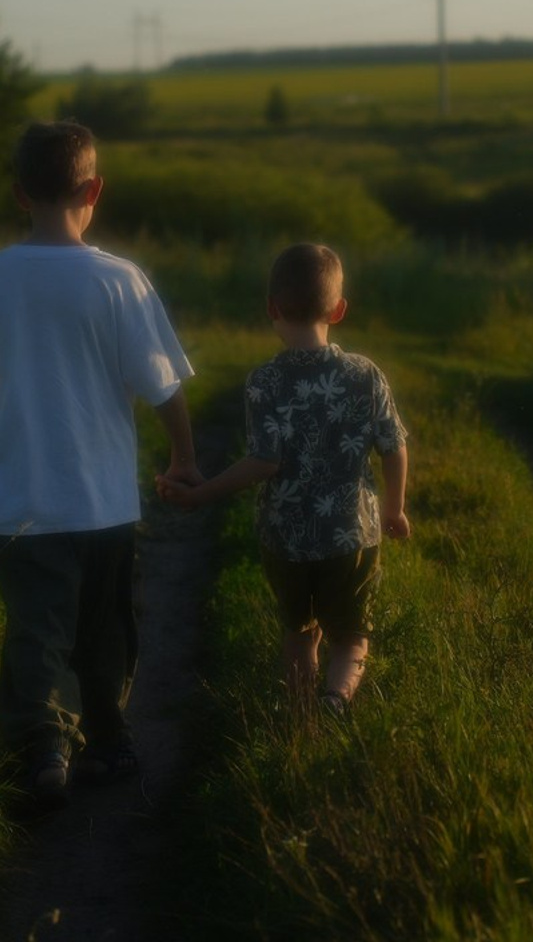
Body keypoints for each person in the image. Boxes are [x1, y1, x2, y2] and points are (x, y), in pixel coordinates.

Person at [0, 120, 201, 805]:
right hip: (102, 501)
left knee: (36, 625)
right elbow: (163, 386)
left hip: (18, 498)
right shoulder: (121, 280)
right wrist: (184, 457)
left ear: (21, 193)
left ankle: (41, 748)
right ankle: (108, 745)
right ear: (95, 189)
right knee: (103, 626)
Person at [157, 242, 409, 714]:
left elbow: (264, 462)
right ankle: (335, 698)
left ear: (272, 308)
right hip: (353, 534)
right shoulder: (365, 375)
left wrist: (204, 493)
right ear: (339, 309)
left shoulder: (265, 381)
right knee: (352, 635)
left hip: (286, 537)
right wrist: (394, 509)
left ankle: (299, 716)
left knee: (299, 632)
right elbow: (394, 447)